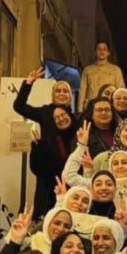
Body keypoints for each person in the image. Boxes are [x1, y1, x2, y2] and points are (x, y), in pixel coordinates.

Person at [15, 68, 78, 217]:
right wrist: (28, 83)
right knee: (46, 212)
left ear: (70, 96)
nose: (61, 94)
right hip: (47, 170)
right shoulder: (45, 112)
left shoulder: (75, 118)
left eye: (65, 91)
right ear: (53, 95)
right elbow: (19, 107)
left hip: (69, 172)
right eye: (58, 91)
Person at [80, 40, 127, 104]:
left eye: (104, 49)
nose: (102, 51)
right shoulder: (87, 70)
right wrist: (80, 108)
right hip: (91, 106)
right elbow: (82, 91)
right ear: (95, 52)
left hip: (109, 105)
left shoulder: (115, 70)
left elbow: (121, 90)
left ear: (108, 53)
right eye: (99, 49)